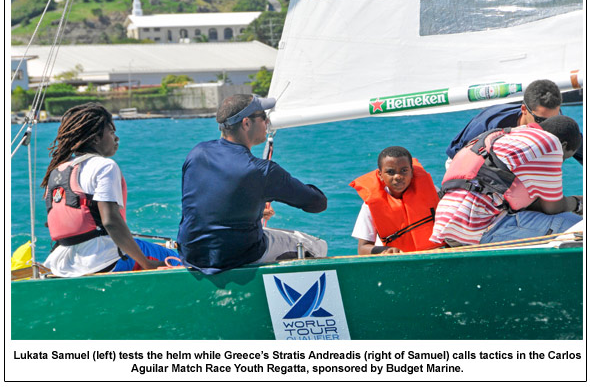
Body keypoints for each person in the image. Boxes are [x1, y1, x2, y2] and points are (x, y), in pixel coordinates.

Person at [177, 94, 328, 274]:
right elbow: (317, 204)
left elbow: (208, 205)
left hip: (192, 254)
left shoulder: (197, 153)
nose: (268, 122)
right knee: (317, 246)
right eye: (264, 117)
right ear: (246, 123)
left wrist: (255, 211)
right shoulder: (262, 171)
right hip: (237, 255)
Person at [42, 103, 180, 277]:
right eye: (112, 132)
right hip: (101, 261)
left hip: (62, 263)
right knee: (174, 258)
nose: (117, 138)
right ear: (95, 139)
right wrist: (146, 264)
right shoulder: (105, 166)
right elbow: (110, 222)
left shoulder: (58, 171)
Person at [431, 115, 583, 247]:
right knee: (579, 228)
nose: (560, 162)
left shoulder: (504, 134)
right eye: (564, 158)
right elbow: (553, 207)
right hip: (478, 228)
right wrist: (578, 203)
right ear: (562, 146)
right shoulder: (549, 143)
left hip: (447, 225)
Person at [445, 79, 583, 167]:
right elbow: (456, 157)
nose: (548, 127)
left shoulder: (556, 124)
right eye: (541, 120)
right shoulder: (490, 123)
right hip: (472, 164)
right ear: (524, 109)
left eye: (554, 118)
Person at [350, 146, 443, 255]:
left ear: (412, 172)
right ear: (380, 175)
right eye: (390, 172)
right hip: (396, 261)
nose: (398, 176)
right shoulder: (370, 205)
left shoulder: (433, 192)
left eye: (404, 171)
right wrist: (385, 250)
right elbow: (362, 249)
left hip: (433, 256)